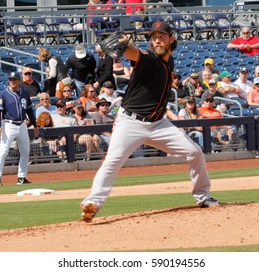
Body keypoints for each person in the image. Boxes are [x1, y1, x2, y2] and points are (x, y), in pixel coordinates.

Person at [80, 21, 221, 223]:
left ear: (171, 39)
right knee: (112, 162)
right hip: (130, 122)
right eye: (154, 37)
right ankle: (92, 202)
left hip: (157, 124)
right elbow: (135, 53)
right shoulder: (149, 58)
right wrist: (126, 44)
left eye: (161, 36)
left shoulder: (168, 62)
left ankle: (203, 196)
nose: (157, 40)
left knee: (195, 153)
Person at [0, 71, 39, 186]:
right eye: (10, 80)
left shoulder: (24, 93)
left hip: (22, 125)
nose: (12, 82)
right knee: (3, 151)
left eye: (14, 80)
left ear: (18, 81)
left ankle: (21, 177)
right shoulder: (3, 94)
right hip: (8, 125)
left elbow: (30, 110)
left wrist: (35, 125)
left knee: (25, 151)